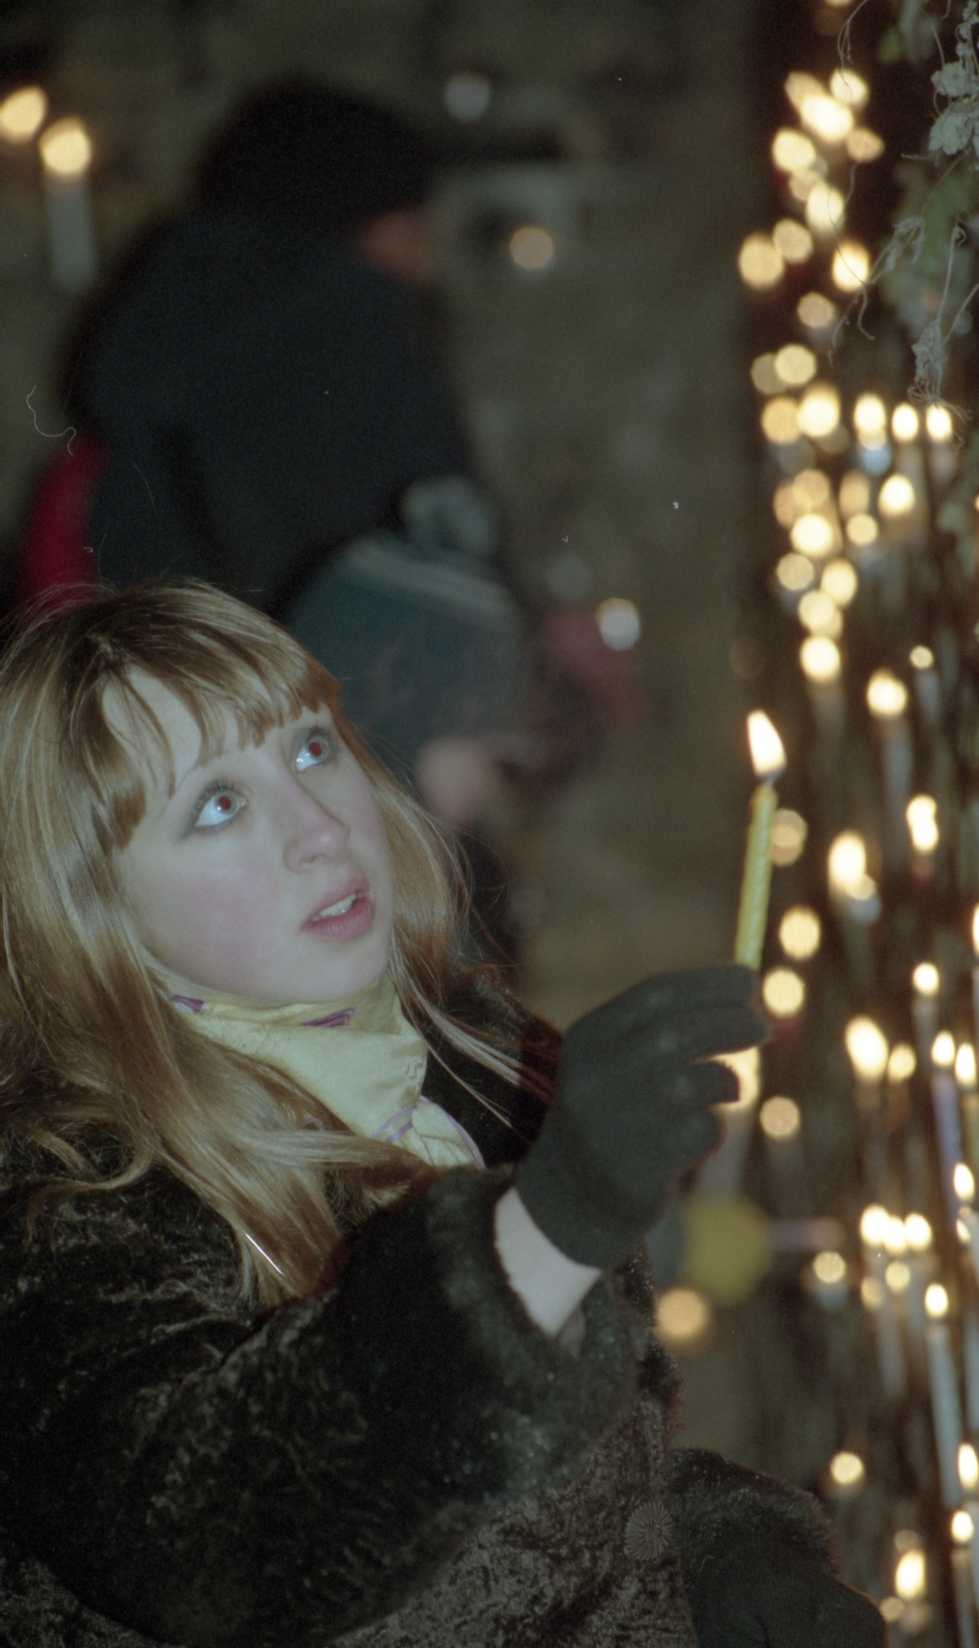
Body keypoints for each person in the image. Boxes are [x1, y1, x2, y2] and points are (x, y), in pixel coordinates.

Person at [0, 583, 881, 1648]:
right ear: (92, 911)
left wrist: (724, 1562)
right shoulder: (73, 1205)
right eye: (217, 805)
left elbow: (544, 1509)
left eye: (312, 748)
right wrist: (548, 1226)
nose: (322, 828)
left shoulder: (477, 1060)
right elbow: (214, 1543)